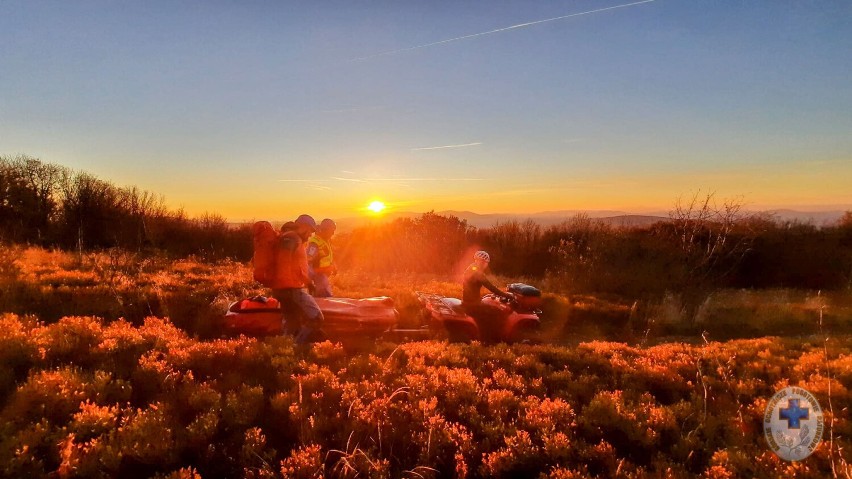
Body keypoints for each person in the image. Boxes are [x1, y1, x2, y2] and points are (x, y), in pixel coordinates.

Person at [269, 214, 324, 344]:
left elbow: (296, 267)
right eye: (310, 230)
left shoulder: (291, 238)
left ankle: (287, 348)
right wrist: (291, 287)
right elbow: (284, 263)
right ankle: (297, 346)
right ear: (304, 226)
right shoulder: (291, 238)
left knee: (292, 323)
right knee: (316, 318)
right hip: (290, 289)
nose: (311, 234)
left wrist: (308, 282)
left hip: (284, 288)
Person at [462, 250, 512, 342]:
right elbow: (490, 286)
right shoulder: (477, 273)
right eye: (485, 263)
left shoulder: (470, 268)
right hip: (473, 304)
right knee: (496, 311)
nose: (486, 265)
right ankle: (489, 339)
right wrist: (506, 295)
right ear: (482, 262)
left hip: (468, 301)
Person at [306, 218, 337, 297]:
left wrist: (333, 266)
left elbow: (326, 257)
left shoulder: (325, 240)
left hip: (323, 277)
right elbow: (309, 263)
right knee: (325, 301)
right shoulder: (315, 243)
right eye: (332, 231)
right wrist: (324, 270)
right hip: (319, 280)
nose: (333, 233)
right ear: (325, 230)